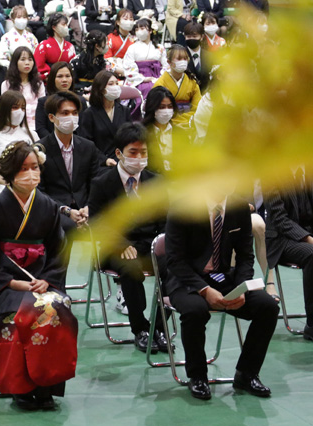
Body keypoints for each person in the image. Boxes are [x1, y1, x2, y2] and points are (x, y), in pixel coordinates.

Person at [0, 141, 78, 410]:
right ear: (9, 174)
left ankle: (45, 386)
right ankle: (21, 386)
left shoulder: (48, 207)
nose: (31, 174)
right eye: (23, 169)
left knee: (57, 307)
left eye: (34, 168)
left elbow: (58, 251)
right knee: (30, 313)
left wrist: (48, 280)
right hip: (5, 285)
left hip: (41, 282)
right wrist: (12, 282)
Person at [165, 191, 279, 400]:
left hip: (221, 276)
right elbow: (174, 261)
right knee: (195, 310)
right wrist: (205, 290)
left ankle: (247, 373)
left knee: (268, 307)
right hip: (186, 279)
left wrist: (241, 288)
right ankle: (198, 376)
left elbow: (246, 256)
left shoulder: (239, 207)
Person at [88, 122, 169, 352]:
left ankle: (160, 328)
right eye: (133, 153)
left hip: (149, 244)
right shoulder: (102, 183)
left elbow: (165, 218)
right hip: (115, 247)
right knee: (131, 267)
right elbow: (96, 221)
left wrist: (160, 244)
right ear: (119, 153)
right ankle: (140, 329)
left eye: (144, 153)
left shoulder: (156, 181)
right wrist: (119, 244)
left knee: (174, 266)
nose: (139, 158)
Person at [38, 91, 112, 234]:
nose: (71, 118)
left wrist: (88, 207)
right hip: (56, 208)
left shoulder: (88, 146)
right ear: (52, 118)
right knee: (68, 228)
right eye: (65, 113)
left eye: (74, 113)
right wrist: (66, 211)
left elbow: (95, 182)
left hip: (85, 207)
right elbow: (40, 191)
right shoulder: (41, 149)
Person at [265, 167, 313, 342]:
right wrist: (309, 239)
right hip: (281, 239)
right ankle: (312, 325)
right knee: (312, 254)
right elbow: (279, 219)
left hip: (307, 234)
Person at [0, 90, 38, 192]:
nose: (19, 111)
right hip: (3, 190)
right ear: (4, 109)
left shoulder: (32, 135)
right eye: (15, 107)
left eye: (23, 108)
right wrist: (14, 183)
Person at [80, 70, 130, 160]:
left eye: (116, 84)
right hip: (99, 161)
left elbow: (130, 138)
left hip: (122, 159)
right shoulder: (89, 113)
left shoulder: (124, 111)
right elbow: (87, 143)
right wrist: (104, 160)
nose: (115, 87)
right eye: (111, 84)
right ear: (101, 88)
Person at [152, 44, 202, 128]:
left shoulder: (192, 82)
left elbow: (197, 107)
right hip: (167, 123)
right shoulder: (160, 83)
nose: (183, 61)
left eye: (185, 59)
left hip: (190, 122)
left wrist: (187, 121)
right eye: (179, 59)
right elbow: (156, 110)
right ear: (169, 62)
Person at [34, 62, 88, 139]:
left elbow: (84, 128)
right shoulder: (43, 102)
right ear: (53, 79)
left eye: (67, 76)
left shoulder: (80, 101)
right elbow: (41, 128)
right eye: (60, 76)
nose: (64, 80)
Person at [0, 46, 45, 131]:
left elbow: (42, 108)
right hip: (14, 126)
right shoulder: (6, 84)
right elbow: (5, 109)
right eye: (23, 59)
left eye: (30, 59)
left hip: (36, 126)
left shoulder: (39, 84)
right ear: (15, 62)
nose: (27, 63)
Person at [122, 18, 169, 97]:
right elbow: (128, 66)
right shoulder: (132, 48)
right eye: (137, 29)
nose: (139, 31)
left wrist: (161, 77)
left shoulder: (159, 48)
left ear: (150, 31)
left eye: (142, 28)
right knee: (148, 88)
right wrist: (143, 79)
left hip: (158, 76)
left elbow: (166, 65)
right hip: (139, 78)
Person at [142, 86, 178, 174]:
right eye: (161, 107)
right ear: (152, 108)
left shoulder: (180, 133)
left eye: (169, 107)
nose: (166, 111)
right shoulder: (142, 134)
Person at [33, 13, 75, 81]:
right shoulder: (43, 45)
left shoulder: (70, 46)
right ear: (54, 27)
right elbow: (38, 66)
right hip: (49, 80)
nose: (66, 27)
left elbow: (72, 66)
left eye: (67, 25)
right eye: (63, 24)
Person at [183, 21, 210, 92]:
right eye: (188, 36)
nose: (191, 39)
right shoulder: (180, 54)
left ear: (201, 37)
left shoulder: (210, 56)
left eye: (195, 36)